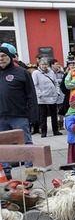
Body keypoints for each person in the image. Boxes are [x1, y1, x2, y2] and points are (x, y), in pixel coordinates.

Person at [0, 46, 39, 181]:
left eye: (3, 56)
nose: (1, 59)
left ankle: (31, 171)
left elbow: (31, 95)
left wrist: (34, 115)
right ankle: (6, 172)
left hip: (19, 115)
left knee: (25, 143)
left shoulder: (22, 72)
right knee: (3, 146)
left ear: (10, 57)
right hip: (1, 117)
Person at [32, 58, 62, 137]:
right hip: (42, 98)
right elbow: (35, 85)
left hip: (52, 96)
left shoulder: (51, 72)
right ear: (39, 65)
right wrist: (40, 94)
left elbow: (55, 83)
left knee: (54, 115)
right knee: (43, 115)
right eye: (43, 64)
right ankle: (43, 131)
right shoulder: (36, 73)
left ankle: (55, 130)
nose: (44, 66)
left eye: (46, 64)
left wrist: (57, 92)